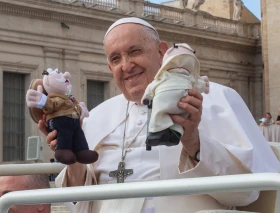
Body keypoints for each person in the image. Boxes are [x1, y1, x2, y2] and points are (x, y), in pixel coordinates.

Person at [38, 17, 280, 213]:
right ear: (110, 68)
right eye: (116, 59)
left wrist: (193, 141)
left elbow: (247, 193)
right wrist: (74, 158)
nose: (126, 65)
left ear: (162, 51)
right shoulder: (97, 115)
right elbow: (76, 203)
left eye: (134, 51)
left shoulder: (217, 98)